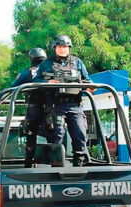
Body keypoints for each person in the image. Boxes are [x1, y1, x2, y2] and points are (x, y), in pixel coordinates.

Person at [34, 35, 92, 166]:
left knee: (80, 133)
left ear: (69, 48)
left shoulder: (77, 62)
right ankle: (57, 163)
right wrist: (48, 82)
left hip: (75, 104)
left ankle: (79, 163)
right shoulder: (47, 64)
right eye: (60, 46)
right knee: (58, 134)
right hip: (56, 105)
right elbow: (35, 81)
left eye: (65, 47)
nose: (62, 49)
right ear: (55, 47)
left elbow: (87, 80)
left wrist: (89, 87)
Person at [12, 48, 47, 168]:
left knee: (31, 137)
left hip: (35, 109)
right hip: (52, 109)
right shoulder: (52, 69)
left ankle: (28, 164)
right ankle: (56, 165)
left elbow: (13, 87)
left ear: (31, 59)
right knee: (56, 135)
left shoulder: (27, 72)